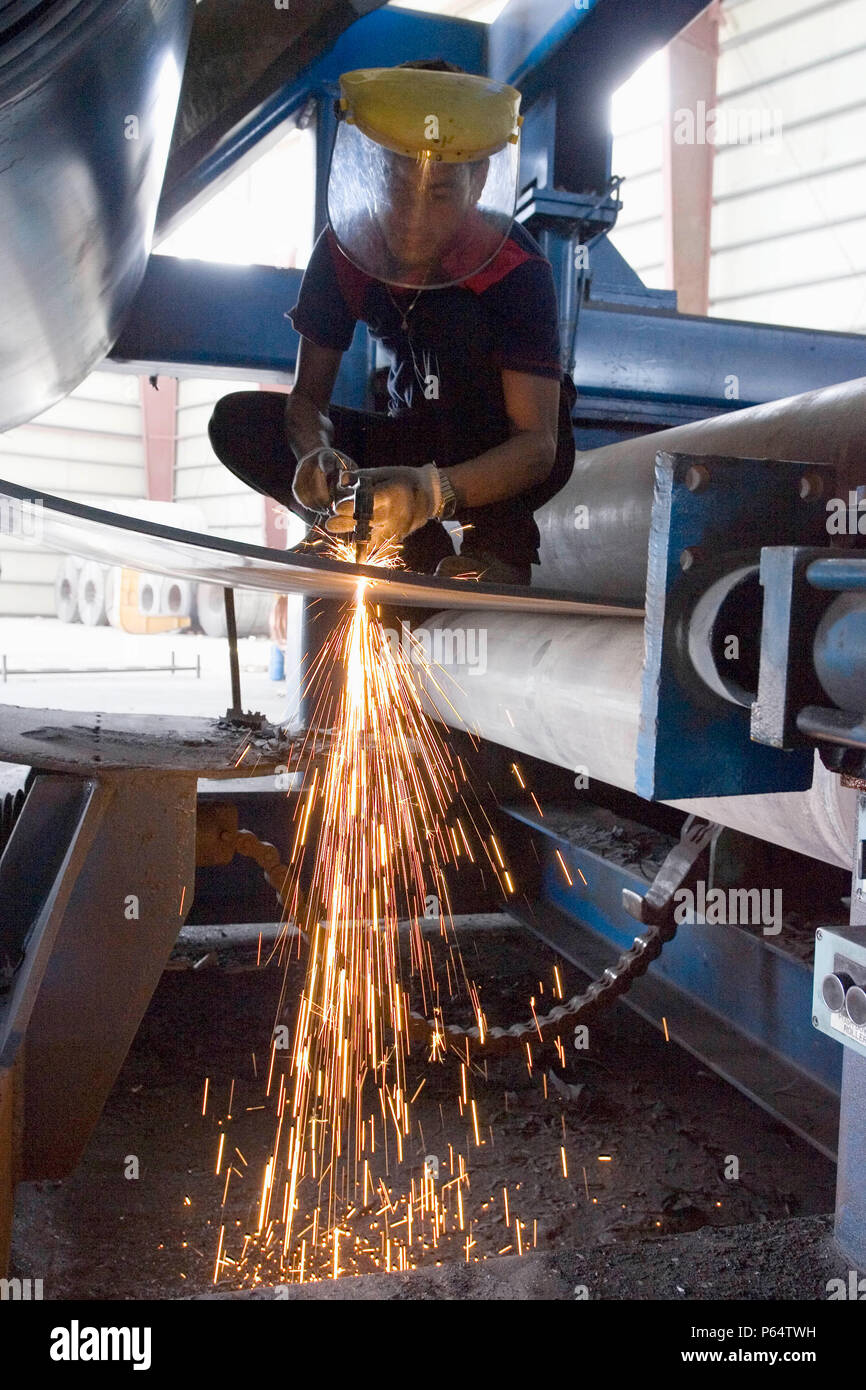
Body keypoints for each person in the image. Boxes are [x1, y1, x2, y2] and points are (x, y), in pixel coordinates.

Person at [209, 60, 576, 586]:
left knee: (458, 325)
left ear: (478, 182)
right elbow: (306, 401)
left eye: (440, 194)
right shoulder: (345, 250)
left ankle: (497, 547)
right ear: (371, 170)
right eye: (397, 186)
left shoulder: (513, 269)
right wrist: (316, 455)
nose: (413, 217)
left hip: (506, 454)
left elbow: (537, 447)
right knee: (237, 422)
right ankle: (380, 537)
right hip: (413, 438)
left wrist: (431, 492)